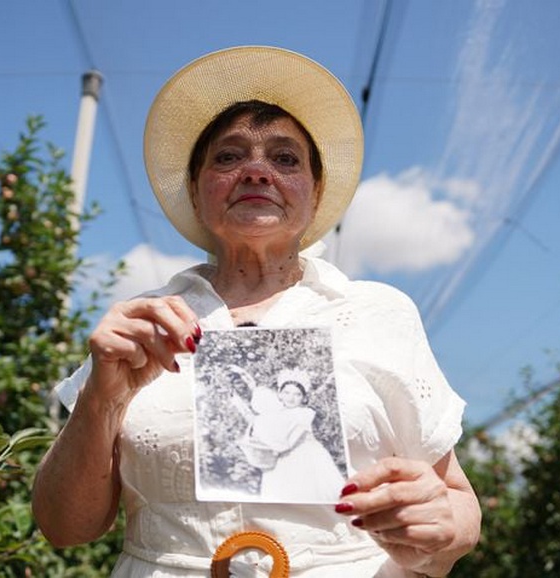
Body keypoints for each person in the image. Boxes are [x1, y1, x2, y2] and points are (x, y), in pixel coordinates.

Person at [32, 46, 481, 577]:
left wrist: (441, 526)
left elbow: (458, 506)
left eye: (285, 159)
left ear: (315, 192)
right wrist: (101, 399)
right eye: (228, 157)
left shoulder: (378, 312)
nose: (256, 172)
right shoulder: (143, 325)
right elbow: (65, 528)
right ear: (195, 191)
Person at [233, 367, 345, 502]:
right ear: (279, 394)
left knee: (308, 491)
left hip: (306, 456)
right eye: (286, 393)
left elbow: (283, 442)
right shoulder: (276, 413)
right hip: (282, 459)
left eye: (297, 394)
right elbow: (264, 428)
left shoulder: (303, 414)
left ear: (303, 398)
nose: (291, 398)